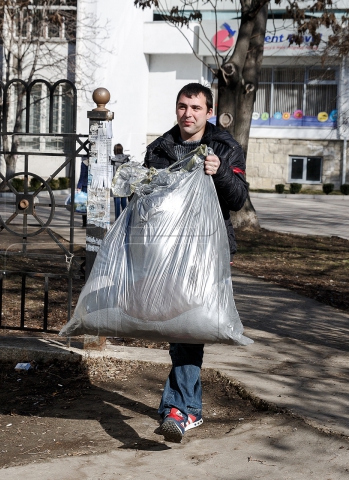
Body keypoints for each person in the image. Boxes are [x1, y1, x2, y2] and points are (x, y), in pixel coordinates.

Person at [144, 82, 248, 443]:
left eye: (195, 108)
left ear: (209, 111)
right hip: (168, 248)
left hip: (208, 248)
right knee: (180, 330)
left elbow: (237, 200)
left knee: (187, 328)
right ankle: (189, 409)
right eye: (182, 107)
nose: (188, 114)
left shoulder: (225, 147)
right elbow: (148, 204)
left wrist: (219, 171)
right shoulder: (158, 149)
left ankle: (179, 410)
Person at [110, 144, 130, 219]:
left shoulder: (112, 160)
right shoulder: (126, 159)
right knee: (124, 203)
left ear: (115, 151)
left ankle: (117, 220)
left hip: (116, 183)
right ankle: (125, 219)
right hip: (124, 183)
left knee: (117, 203)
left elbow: (111, 172)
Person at [76, 156, 89, 227]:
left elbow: (82, 176)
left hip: (85, 185)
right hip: (94, 186)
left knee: (84, 204)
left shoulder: (84, 163)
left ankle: (84, 223)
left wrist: (79, 186)